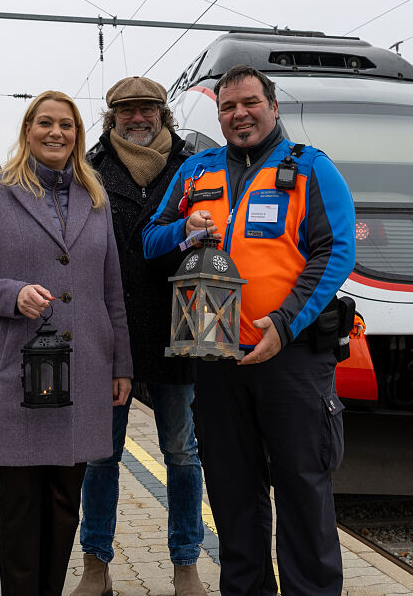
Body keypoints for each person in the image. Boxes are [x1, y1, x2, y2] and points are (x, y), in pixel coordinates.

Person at [143, 65, 357, 596]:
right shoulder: (196, 171)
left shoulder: (310, 168)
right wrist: (184, 229)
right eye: (227, 107)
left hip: (293, 358)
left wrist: (284, 325)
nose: (239, 114)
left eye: (249, 103)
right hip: (215, 356)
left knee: (304, 490)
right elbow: (150, 241)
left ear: (274, 106)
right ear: (218, 115)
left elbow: (337, 252)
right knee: (233, 493)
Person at [0, 90, 133, 596]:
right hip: (15, 374)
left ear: (78, 135)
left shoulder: (96, 199)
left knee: (63, 506)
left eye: (67, 125)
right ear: (27, 130)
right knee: (22, 507)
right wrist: (11, 294)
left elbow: (112, 290)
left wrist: (122, 366)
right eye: (45, 123)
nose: (56, 133)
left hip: (84, 374)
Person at [71, 76, 202, 596]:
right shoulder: (91, 168)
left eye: (148, 109)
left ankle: (186, 563)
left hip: (184, 326)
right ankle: (96, 565)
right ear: (113, 117)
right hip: (113, 329)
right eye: (127, 111)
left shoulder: (193, 165)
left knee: (182, 451)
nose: (138, 118)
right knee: (101, 454)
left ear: (162, 113)